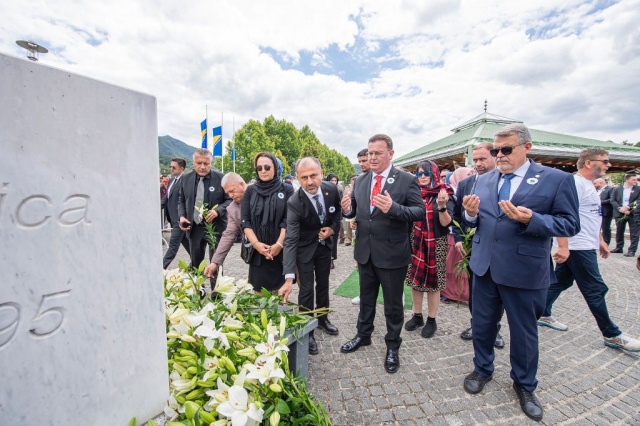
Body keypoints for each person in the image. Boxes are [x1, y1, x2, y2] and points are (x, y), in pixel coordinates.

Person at [461, 123, 580, 422]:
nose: (499, 155)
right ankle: (482, 368)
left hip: (524, 269)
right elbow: (476, 221)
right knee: (484, 323)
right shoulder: (484, 180)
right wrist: (470, 215)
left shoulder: (556, 179)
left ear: (527, 147)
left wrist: (533, 219)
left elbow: (570, 223)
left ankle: (525, 385)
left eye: (506, 149)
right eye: (495, 150)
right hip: (485, 266)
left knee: (524, 332)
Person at [537, 148, 640, 353]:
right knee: (595, 288)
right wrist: (564, 246)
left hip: (584, 243)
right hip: (577, 246)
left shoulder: (588, 185)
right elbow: (561, 214)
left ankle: (541, 312)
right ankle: (611, 333)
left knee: (562, 281)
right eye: (605, 161)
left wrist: (600, 239)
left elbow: (592, 216)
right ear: (588, 163)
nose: (608, 165)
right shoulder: (574, 183)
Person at [339, 134, 425, 375]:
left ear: (391, 153)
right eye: (370, 153)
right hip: (365, 253)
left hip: (392, 254)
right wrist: (348, 211)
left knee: (393, 304)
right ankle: (363, 335)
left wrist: (394, 208)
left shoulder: (406, 180)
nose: (372, 157)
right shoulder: (362, 180)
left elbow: (419, 212)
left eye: (378, 153)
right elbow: (358, 212)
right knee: (366, 299)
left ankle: (392, 346)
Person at [279, 158, 342, 355]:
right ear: (298, 178)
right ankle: (308, 330)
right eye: (304, 177)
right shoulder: (294, 202)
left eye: (313, 175)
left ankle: (322, 318)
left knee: (323, 284)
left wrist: (332, 229)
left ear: (321, 173)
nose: (310, 182)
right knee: (306, 290)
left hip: (324, 248)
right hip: (304, 249)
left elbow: (337, 212)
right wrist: (289, 276)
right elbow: (290, 240)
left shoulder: (332, 190)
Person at [451, 143, 505, 349]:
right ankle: (477, 325)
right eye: (475, 160)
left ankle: (495, 329)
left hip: (498, 248)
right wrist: (458, 238)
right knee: (476, 291)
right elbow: (457, 215)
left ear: (495, 157)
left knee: (498, 292)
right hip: (472, 247)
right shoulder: (466, 183)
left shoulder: (504, 181)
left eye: (483, 159)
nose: (478, 164)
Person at [403, 160, 454, 338]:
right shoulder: (413, 192)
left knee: (434, 282)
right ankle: (417, 316)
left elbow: (447, 223)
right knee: (415, 279)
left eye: (426, 173)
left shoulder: (444, 192)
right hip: (415, 240)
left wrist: (441, 207)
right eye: (419, 173)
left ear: (434, 174)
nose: (422, 177)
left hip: (436, 241)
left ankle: (431, 320)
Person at [241, 152, 294, 292]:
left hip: (280, 251)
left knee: (280, 297)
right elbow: (245, 222)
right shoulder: (250, 190)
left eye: (267, 167)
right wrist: (256, 244)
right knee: (258, 296)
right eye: (259, 168)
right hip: (257, 252)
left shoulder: (287, 189)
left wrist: (278, 244)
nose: (263, 171)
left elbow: (288, 220)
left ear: (275, 168)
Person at [178, 149, 232, 283]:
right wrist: (181, 216)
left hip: (215, 227)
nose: (202, 167)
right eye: (199, 163)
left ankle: (216, 293)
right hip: (194, 227)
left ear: (211, 163)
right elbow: (182, 200)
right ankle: (198, 291)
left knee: (216, 263)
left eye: (206, 163)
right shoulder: (186, 178)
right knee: (196, 262)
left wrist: (218, 211)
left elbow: (230, 199)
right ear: (193, 163)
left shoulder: (221, 179)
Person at [203, 173, 247, 278]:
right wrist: (215, 262)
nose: (231, 196)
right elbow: (229, 235)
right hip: (255, 254)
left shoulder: (259, 194)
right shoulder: (232, 208)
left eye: (232, 191)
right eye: (228, 193)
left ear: (241, 184)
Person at [441, 166, 473, 304]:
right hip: (453, 234)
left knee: (462, 266)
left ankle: (461, 293)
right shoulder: (448, 193)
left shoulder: (469, 191)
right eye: (466, 175)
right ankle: (449, 293)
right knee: (451, 265)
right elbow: (452, 215)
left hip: (465, 233)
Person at [351, 149, 372, 306]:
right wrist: (353, 217)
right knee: (362, 265)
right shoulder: (358, 181)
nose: (362, 164)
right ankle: (363, 294)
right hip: (363, 233)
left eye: (364, 161)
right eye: (359, 161)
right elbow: (355, 206)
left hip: (384, 235)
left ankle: (397, 297)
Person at [163, 158, 191, 269]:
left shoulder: (186, 180)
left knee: (173, 246)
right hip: (173, 219)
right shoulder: (171, 181)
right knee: (191, 248)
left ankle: (160, 269)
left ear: (182, 168)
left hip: (180, 220)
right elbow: (166, 199)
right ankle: (197, 267)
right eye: (170, 166)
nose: (171, 169)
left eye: (173, 167)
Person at [610, 173, 639, 257]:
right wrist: (620, 208)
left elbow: (639, 200)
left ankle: (632, 250)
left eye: (636, 179)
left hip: (633, 213)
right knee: (619, 231)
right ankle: (619, 247)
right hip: (620, 213)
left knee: (634, 233)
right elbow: (612, 200)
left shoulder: (638, 189)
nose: (635, 181)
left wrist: (628, 207)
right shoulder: (617, 189)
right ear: (627, 180)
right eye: (633, 179)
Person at [594, 178, 614, 246]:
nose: (594, 185)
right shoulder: (596, 190)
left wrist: (600, 202)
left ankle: (606, 243)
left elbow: (611, 199)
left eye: (595, 183)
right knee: (597, 228)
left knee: (605, 228)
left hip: (606, 211)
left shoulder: (610, 189)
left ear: (601, 183)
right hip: (596, 212)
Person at [342, 175, 357, 246]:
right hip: (349, 208)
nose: (354, 180)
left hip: (358, 208)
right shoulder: (348, 188)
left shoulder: (361, 185)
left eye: (356, 179)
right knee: (349, 224)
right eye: (353, 179)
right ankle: (348, 238)